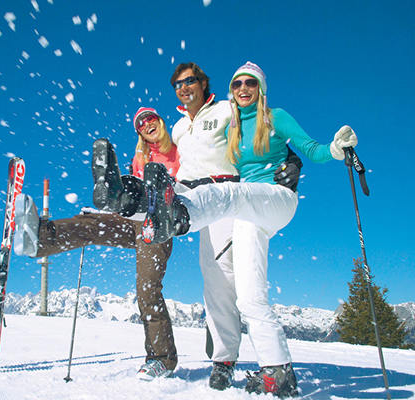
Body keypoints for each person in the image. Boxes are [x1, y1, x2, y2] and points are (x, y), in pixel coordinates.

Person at [141, 61, 358, 397]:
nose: (243, 88)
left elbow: (306, 148)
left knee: (229, 194)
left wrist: (324, 152)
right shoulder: (226, 126)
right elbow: (187, 156)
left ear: (260, 88)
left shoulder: (268, 115)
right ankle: (277, 371)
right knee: (247, 294)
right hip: (238, 209)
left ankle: (178, 217)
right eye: (238, 84)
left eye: (251, 83)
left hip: (265, 197)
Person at [13, 107, 180, 380]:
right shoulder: (140, 158)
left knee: (147, 289)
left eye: (150, 119)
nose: (147, 125)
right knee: (90, 223)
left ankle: (161, 359)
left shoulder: (180, 150)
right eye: (140, 124)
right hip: (133, 219)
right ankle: (39, 238)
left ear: (160, 121)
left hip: (158, 224)